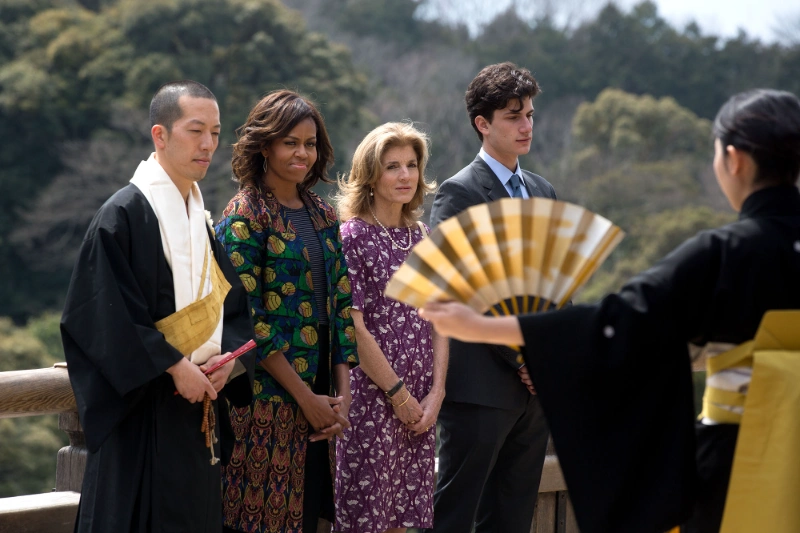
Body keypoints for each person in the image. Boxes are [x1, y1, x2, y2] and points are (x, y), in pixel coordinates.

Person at [419, 88, 800, 533]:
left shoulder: (723, 254)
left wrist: (486, 328)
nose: (527, 125)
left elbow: (616, 323)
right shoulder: (462, 190)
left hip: (743, 451)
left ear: (733, 160)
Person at [61, 80, 256, 533]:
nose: (208, 144)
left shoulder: (199, 220)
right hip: (141, 417)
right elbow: (99, 316)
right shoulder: (123, 214)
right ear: (160, 135)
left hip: (196, 413)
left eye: (215, 131)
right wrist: (173, 367)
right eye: (195, 130)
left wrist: (229, 362)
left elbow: (234, 307)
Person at [422, 61, 556, 533]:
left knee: (514, 516)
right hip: (479, 386)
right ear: (483, 123)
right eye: (513, 116)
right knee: (456, 514)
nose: (526, 126)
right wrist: (520, 357)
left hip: (535, 392)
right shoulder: (459, 194)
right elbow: (460, 289)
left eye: (530, 115)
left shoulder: (542, 190)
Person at [215, 89, 358, 533]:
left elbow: (340, 304)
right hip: (267, 394)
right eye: (290, 142)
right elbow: (249, 321)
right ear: (265, 146)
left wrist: (341, 397)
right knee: (261, 518)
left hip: (322, 391)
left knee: (311, 515)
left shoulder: (321, 212)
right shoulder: (244, 215)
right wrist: (305, 398)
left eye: (310, 143)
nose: (303, 153)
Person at [333, 122, 449, 533]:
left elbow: (440, 320)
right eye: (392, 166)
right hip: (372, 405)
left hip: (420, 409)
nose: (405, 175)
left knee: (402, 523)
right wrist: (399, 396)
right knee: (364, 522)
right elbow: (354, 328)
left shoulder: (425, 237)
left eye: (412, 165)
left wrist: (435, 395)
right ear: (370, 175)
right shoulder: (352, 237)